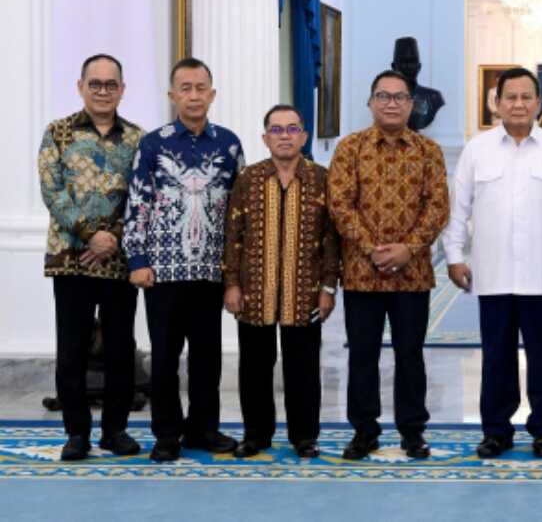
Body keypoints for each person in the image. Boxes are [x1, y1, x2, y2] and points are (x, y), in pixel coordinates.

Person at [444, 67, 542, 459]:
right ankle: (496, 430)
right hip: (492, 273)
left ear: (538, 102)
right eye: (511, 97)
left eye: (527, 97)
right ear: (497, 102)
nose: (519, 104)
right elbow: (459, 209)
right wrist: (454, 256)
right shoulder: (477, 150)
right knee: (496, 357)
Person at [123, 57, 244, 462]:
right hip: (162, 272)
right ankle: (167, 434)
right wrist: (137, 259)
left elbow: (239, 213)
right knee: (164, 358)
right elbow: (137, 203)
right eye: (186, 88)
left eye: (200, 88)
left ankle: (203, 429)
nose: (194, 95)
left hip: (211, 271)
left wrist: (235, 272)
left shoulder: (229, 144)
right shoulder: (153, 144)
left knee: (208, 358)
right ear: (172, 95)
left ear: (212, 94)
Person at [328, 71, 449, 460]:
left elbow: (437, 207)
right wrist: (372, 249)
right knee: (362, 355)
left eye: (400, 97)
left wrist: (407, 249)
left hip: (413, 275)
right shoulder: (350, 148)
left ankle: (412, 432)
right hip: (362, 274)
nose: (392, 103)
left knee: (410, 355)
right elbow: (340, 204)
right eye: (383, 96)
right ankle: (364, 431)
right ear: (370, 103)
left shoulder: (428, 151)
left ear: (411, 104)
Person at [38, 54, 145, 461]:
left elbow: (142, 197)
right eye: (95, 83)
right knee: (72, 350)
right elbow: (52, 191)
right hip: (71, 258)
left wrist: (113, 237)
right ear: (80, 86)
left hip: (120, 259)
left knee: (121, 349)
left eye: (110, 84)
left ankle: (115, 431)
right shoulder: (58, 133)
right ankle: (77, 433)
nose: (103, 91)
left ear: (122, 89)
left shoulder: (138, 139)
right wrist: (89, 235)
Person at [222, 105, 340, 459]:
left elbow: (332, 239)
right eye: (276, 130)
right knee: (254, 368)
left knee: (303, 368)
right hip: (254, 291)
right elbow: (233, 235)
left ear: (303, 136)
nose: (284, 136)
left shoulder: (322, 178)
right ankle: (256, 435)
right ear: (265, 138)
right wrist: (231, 284)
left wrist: (328, 287)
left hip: (305, 292)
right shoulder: (249, 179)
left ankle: (304, 436)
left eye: (291, 129)